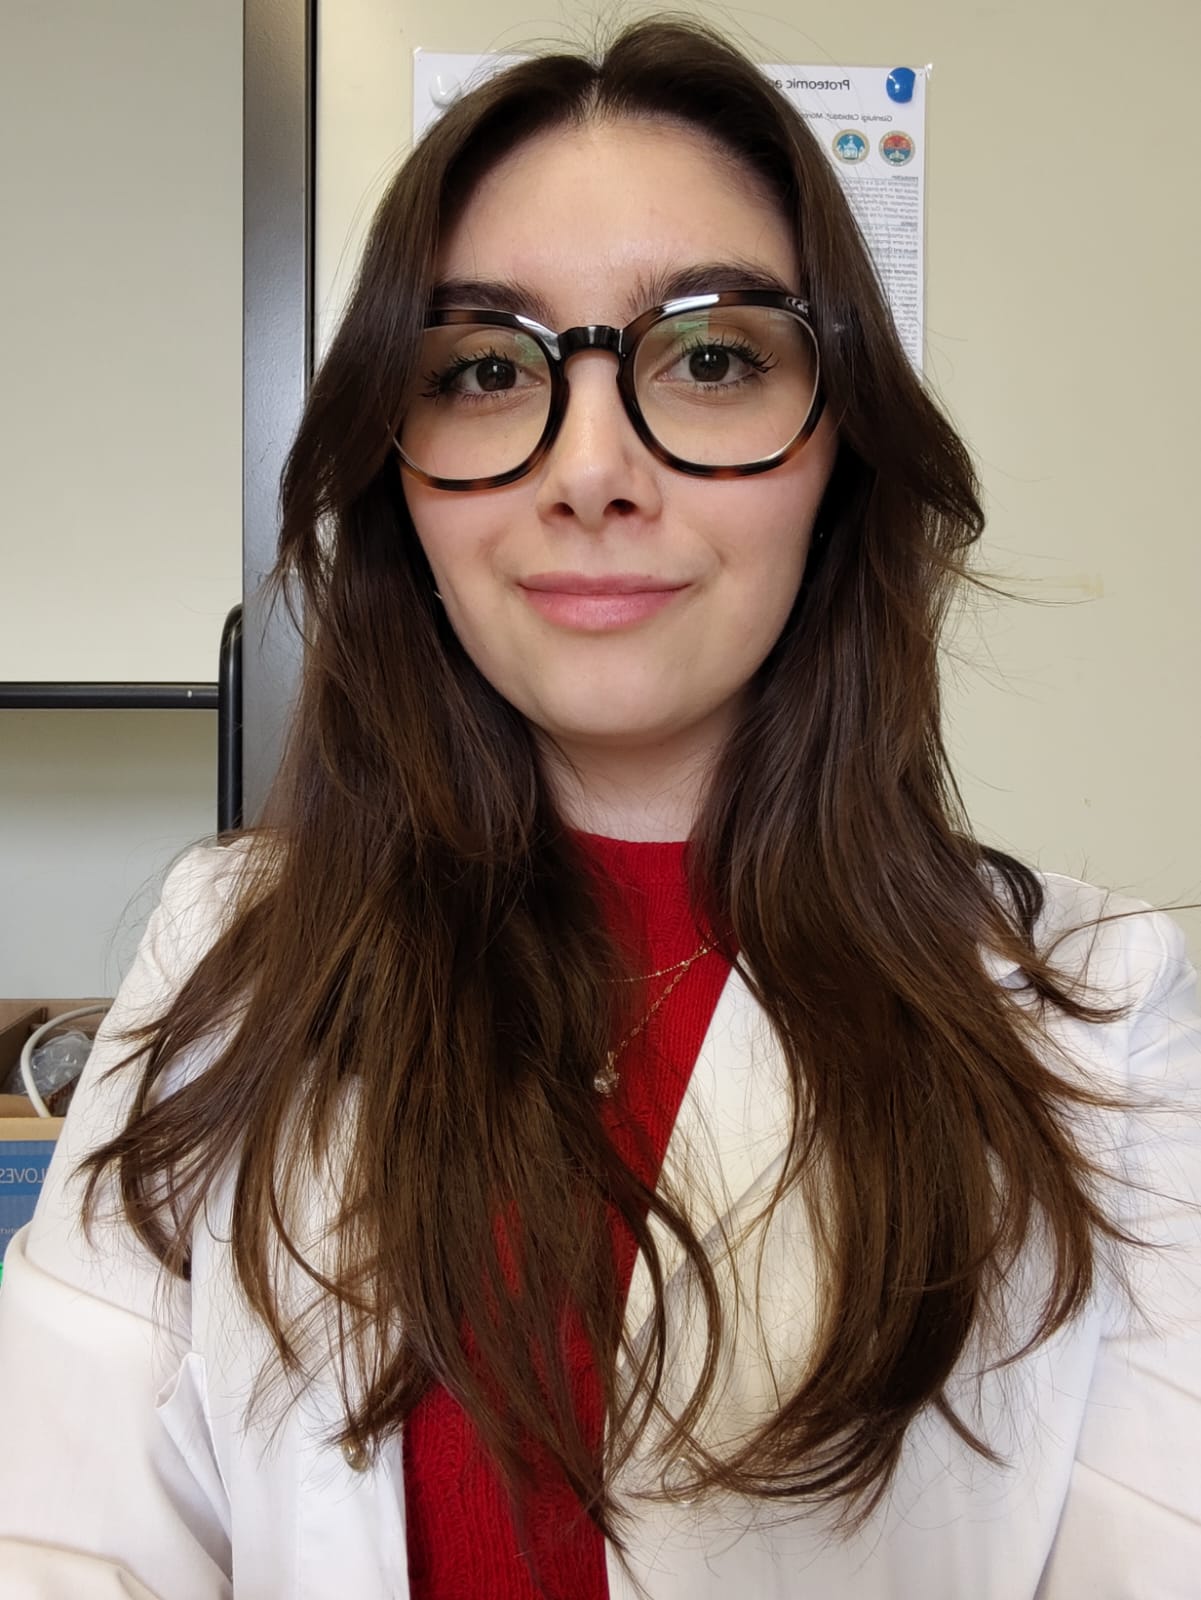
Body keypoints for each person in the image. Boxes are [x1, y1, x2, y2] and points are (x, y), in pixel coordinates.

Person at [1, 19, 1198, 1599]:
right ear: (394, 475)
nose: (589, 470)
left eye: (710, 358)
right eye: (484, 371)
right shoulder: (227, 959)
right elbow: (60, 1545)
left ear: (840, 450)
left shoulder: (1102, 1026)